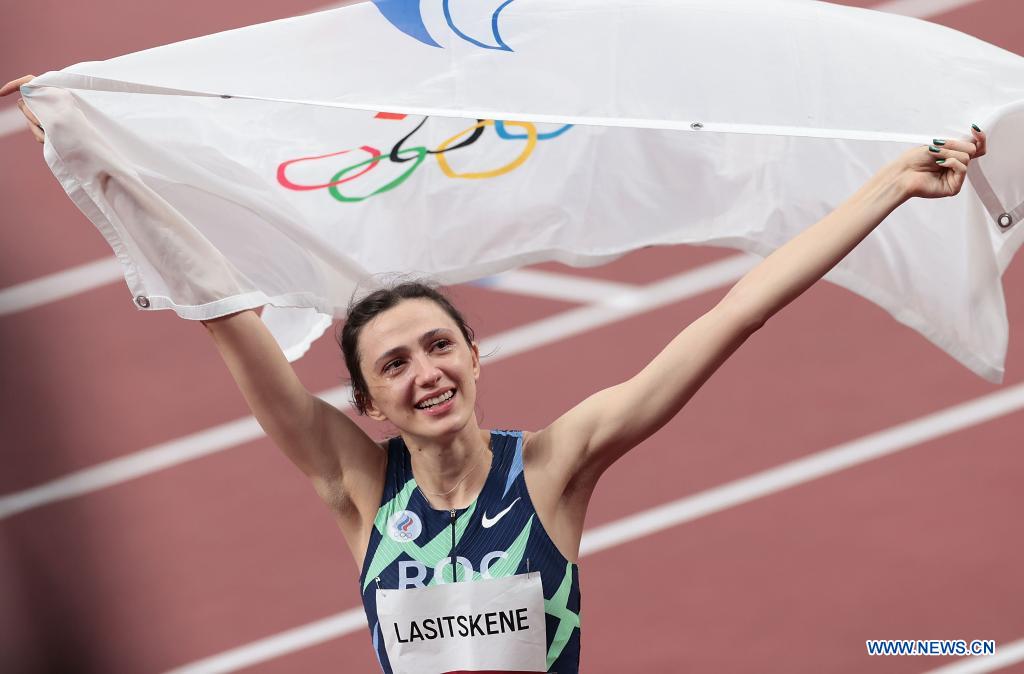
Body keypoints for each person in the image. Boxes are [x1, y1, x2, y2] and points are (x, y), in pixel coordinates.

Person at [1, 73, 987, 673]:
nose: (425, 372)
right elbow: (224, 315)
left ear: (476, 357)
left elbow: (737, 310)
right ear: (368, 402)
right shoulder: (356, 487)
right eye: (395, 363)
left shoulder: (553, 467)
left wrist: (891, 185)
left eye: (439, 346)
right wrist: (96, 166)